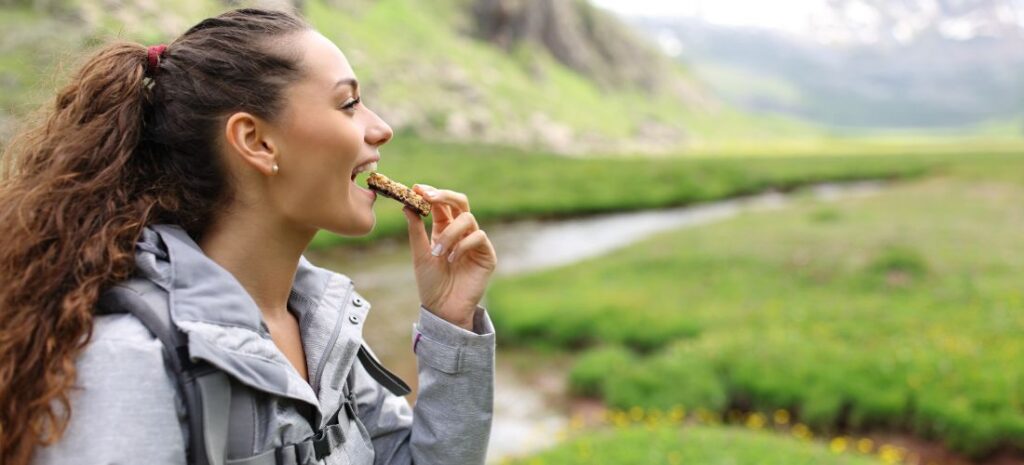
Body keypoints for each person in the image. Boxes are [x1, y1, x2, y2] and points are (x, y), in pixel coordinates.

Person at [0, 7, 497, 465]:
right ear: (256, 141)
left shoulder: (322, 330)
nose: (382, 128)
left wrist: (448, 322)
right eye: (348, 104)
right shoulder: (129, 365)